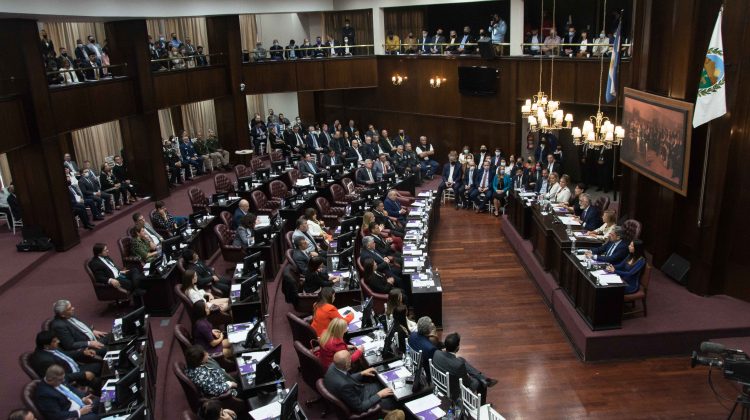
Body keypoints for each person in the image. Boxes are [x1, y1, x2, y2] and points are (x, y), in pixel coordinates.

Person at [323, 350, 395, 414]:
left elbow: (346, 378)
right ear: (346, 365)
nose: (351, 360)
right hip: (362, 400)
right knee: (393, 400)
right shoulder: (344, 386)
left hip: (357, 391)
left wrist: (361, 373)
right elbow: (360, 408)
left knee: (385, 385)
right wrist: (380, 395)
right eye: (350, 360)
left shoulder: (335, 365)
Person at [432, 333, 497, 403]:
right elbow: (467, 383)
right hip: (454, 391)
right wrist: (467, 375)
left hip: (440, 384)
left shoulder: (436, 353)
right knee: (480, 383)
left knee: (461, 359)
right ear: (457, 348)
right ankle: (482, 404)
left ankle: (482, 377)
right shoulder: (458, 366)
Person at [30, 330, 101, 387]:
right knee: (100, 382)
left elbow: (66, 355)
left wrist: (83, 352)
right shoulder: (44, 361)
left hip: (77, 368)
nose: (58, 341)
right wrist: (83, 375)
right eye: (55, 341)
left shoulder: (50, 348)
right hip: (73, 378)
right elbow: (59, 378)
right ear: (46, 346)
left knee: (104, 366)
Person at [35, 364, 99, 420]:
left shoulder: (57, 380)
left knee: (101, 400)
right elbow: (55, 416)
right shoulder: (45, 395)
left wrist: (83, 399)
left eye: (63, 378)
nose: (63, 381)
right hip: (72, 415)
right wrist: (79, 412)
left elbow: (71, 391)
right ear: (50, 380)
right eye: (60, 380)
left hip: (81, 404)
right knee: (94, 417)